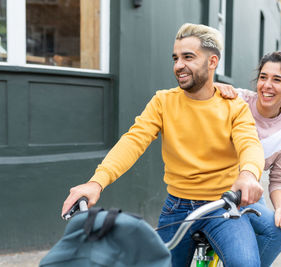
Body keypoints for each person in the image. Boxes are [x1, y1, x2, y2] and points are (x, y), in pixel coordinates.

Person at [61, 23, 265, 267]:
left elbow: (249, 144)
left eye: (188, 57)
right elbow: (133, 140)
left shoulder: (234, 106)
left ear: (212, 62)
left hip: (223, 206)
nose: (179, 65)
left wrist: (249, 174)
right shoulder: (163, 102)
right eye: (175, 58)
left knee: (245, 264)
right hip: (177, 207)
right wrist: (96, 182)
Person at [216, 51, 281, 266]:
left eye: (277, 79)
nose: (267, 85)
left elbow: (279, 179)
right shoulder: (238, 99)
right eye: (263, 77)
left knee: (279, 232)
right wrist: (215, 86)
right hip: (215, 183)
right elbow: (201, 93)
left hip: (248, 193)